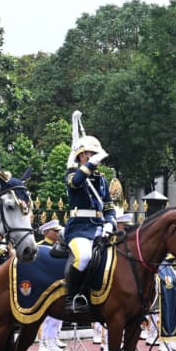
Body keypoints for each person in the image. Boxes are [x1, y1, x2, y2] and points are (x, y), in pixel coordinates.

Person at [63, 133, 116, 318]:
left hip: (100, 228)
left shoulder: (101, 179)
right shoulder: (72, 175)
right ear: (82, 156)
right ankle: (71, 298)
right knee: (84, 257)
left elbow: (109, 206)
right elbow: (76, 181)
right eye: (91, 154)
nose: (95, 158)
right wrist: (91, 163)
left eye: (95, 154)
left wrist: (110, 223)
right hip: (79, 229)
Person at [36, 219, 67, 351]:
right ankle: (42, 344)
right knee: (45, 317)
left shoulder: (59, 246)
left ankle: (52, 341)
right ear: (46, 232)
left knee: (56, 315)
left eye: (59, 231)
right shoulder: (39, 247)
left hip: (57, 283)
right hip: (44, 285)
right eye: (55, 231)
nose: (58, 233)